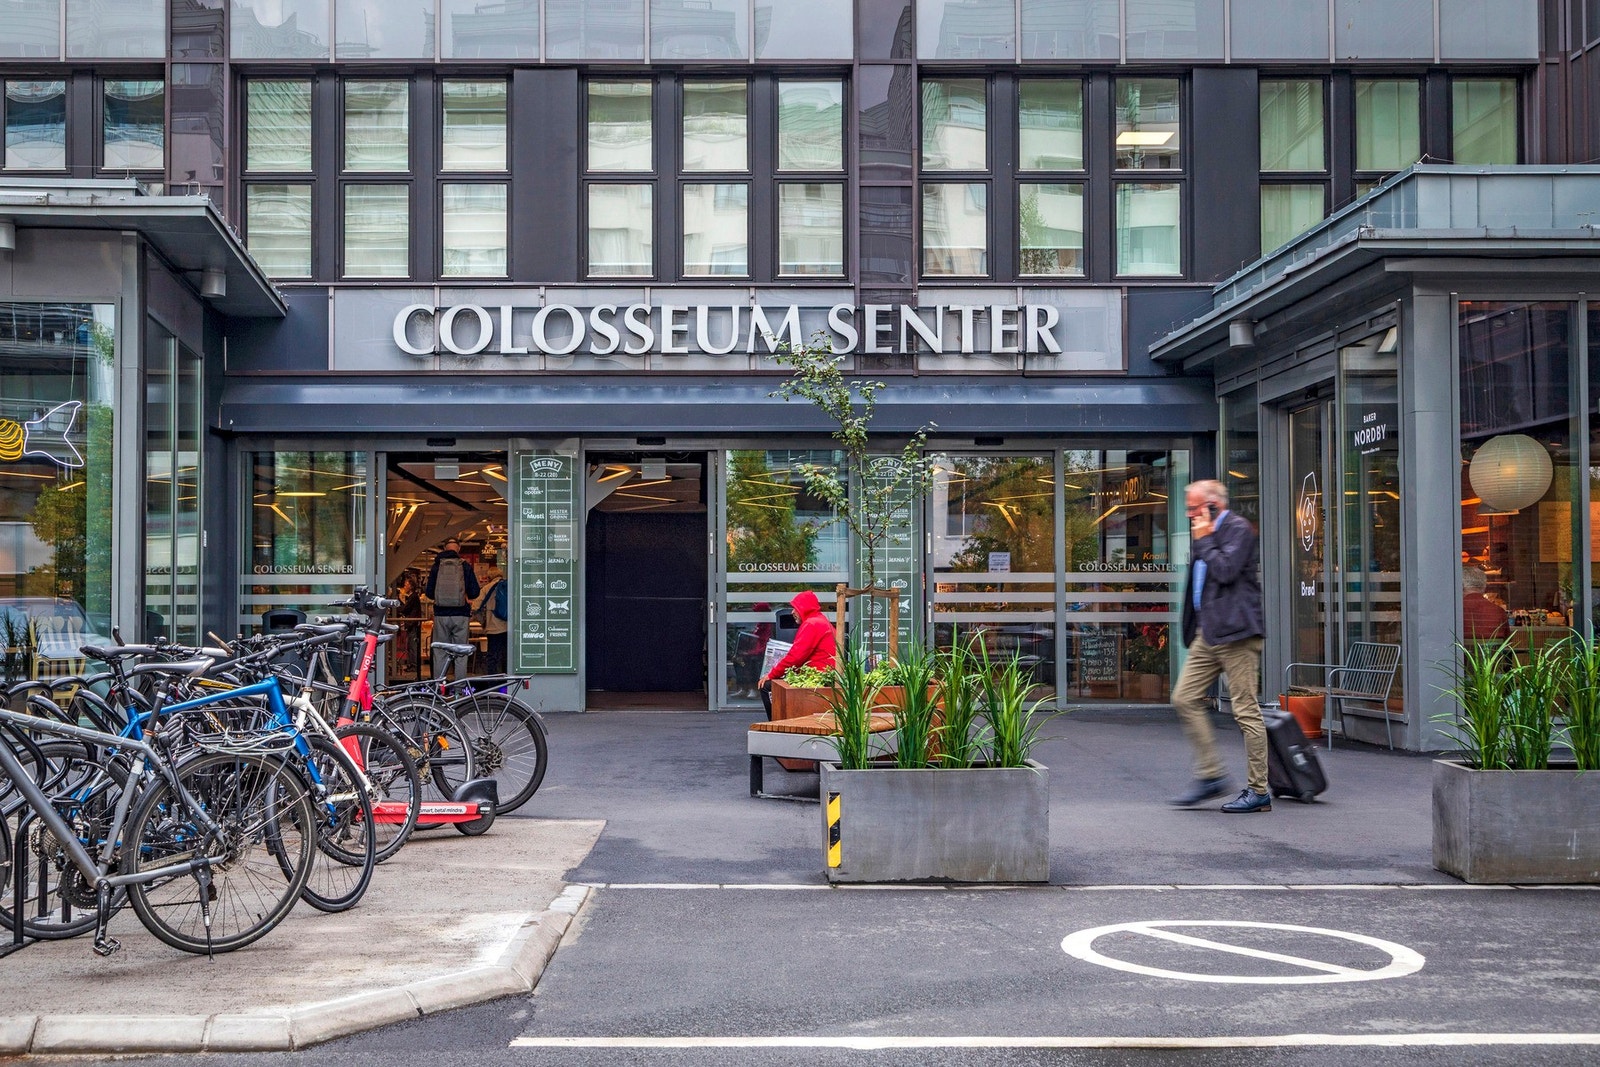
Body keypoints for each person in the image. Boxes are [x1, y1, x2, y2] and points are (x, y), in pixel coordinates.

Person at [1169, 479, 1271, 814]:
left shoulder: (1238, 529)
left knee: (1245, 711)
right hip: (1208, 633)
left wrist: (1206, 538)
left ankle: (1259, 791)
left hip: (1238, 634)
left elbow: (1226, 570)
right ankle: (1211, 773)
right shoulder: (1205, 535)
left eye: (1194, 507)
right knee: (1184, 697)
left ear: (1214, 505)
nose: (1189, 514)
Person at [758, 590, 838, 716]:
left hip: (817, 677)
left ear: (804, 608)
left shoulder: (812, 624)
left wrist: (771, 674)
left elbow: (795, 658)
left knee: (766, 686)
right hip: (823, 675)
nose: (792, 612)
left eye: (795, 608)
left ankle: (777, 725)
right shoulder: (819, 621)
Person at [425, 537, 479, 682]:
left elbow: (429, 593)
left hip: (441, 615)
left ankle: (439, 687)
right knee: (461, 654)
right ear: (459, 549)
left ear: (444, 549)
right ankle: (459, 691)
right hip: (461, 615)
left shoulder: (437, 566)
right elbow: (475, 592)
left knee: (440, 652)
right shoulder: (465, 566)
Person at [474, 551, 509, 675]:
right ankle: (507, 681)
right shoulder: (509, 586)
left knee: (492, 657)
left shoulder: (486, 588)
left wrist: (483, 622)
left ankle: (493, 684)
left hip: (493, 628)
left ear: (489, 577)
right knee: (506, 656)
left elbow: (475, 607)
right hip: (508, 627)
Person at [730, 601, 773, 698]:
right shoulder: (760, 624)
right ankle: (743, 687)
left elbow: (764, 642)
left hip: (760, 653)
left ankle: (753, 688)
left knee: (748, 662)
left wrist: (750, 652)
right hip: (754, 651)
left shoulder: (767, 625)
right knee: (737, 660)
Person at [1462, 565, 1509, 640]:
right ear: (1485, 587)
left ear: (1461, 586)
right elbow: (1508, 644)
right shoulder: (1498, 612)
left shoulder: (1455, 611)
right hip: (1492, 651)